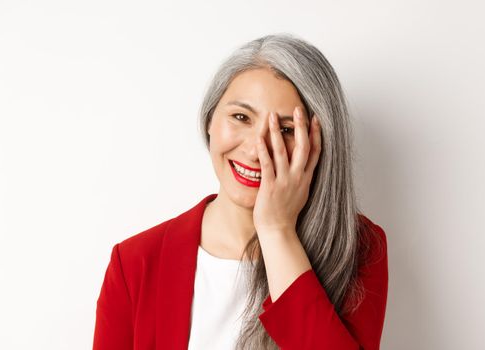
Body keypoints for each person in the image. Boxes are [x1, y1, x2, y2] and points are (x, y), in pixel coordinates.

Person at [93, 33, 388, 350]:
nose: (255, 150)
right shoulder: (135, 262)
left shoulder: (358, 248)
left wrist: (277, 230)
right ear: (210, 120)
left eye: (286, 130)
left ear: (318, 144)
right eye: (241, 117)